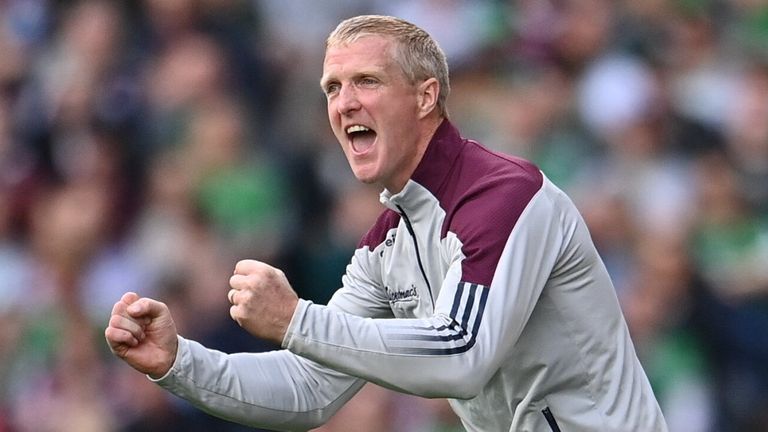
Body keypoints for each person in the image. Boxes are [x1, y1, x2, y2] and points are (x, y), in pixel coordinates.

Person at [105, 15, 668, 431]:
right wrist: (179, 362)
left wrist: (297, 318)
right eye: (332, 87)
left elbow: (461, 355)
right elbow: (309, 390)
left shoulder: (504, 195)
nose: (343, 103)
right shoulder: (385, 243)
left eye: (366, 81)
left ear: (426, 97)